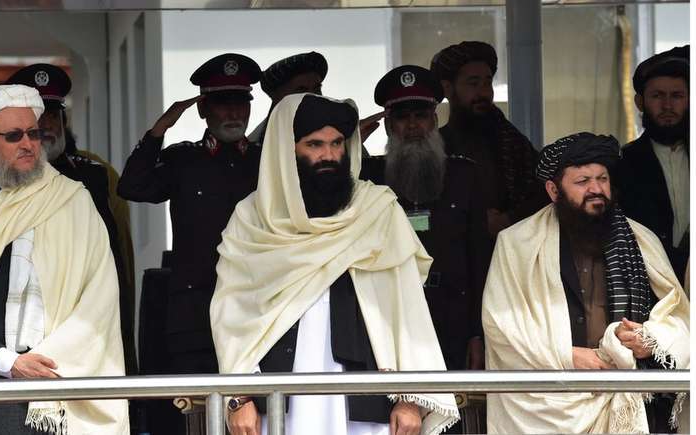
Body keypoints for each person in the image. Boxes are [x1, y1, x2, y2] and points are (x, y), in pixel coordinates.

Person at [212, 93, 459, 435]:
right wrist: (239, 397)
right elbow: (231, 314)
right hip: (275, 400)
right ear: (286, 150)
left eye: (337, 143)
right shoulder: (253, 219)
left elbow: (407, 311)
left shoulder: (377, 211)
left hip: (364, 400)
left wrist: (411, 397)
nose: (329, 155)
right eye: (314, 144)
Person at [0, 84, 128, 434]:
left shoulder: (74, 201)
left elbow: (101, 298)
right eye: (13, 135)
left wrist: (53, 362)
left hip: (64, 383)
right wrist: (5, 361)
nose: (28, 144)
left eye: (34, 133)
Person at [482, 132, 689, 434]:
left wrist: (652, 339)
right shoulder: (517, 243)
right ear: (554, 190)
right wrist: (566, 355)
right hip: (550, 404)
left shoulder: (641, 239)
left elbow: (680, 315)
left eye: (602, 179)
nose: (596, 189)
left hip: (629, 396)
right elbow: (500, 324)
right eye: (582, 181)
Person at [118, 53, 262, 378]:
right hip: (195, 313)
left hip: (253, 307)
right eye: (223, 103)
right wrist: (158, 131)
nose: (233, 112)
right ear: (203, 109)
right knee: (194, 418)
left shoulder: (264, 161)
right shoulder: (183, 160)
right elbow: (133, 187)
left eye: (240, 102)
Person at [4, 63, 138, 375]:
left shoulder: (97, 175)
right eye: (37, 116)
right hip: (23, 331)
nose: (47, 124)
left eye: (53, 114)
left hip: (87, 320)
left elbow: (121, 262)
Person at [360, 65, 490, 375]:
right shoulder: (370, 178)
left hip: (453, 317)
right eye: (403, 117)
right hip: (392, 317)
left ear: (435, 119)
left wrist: (478, 334)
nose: (413, 125)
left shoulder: (464, 176)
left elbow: (480, 260)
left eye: (420, 115)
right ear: (389, 124)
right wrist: (353, 145)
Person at [430, 41, 548, 238]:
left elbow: (545, 192)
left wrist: (507, 219)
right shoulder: (435, 146)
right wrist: (474, 220)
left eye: (487, 83)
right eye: (473, 83)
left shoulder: (512, 142)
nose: (483, 92)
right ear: (448, 89)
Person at [618, 45, 689, 285]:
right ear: (640, 102)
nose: (668, 106)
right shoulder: (625, 163)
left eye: (677, 96)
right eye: (657, 96)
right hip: (648, 284)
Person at [248, 51, 328, 143]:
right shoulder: (256, 146)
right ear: (278, 98)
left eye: (317, 89)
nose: (313, 97)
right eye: (301, 90)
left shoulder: (341, 132)